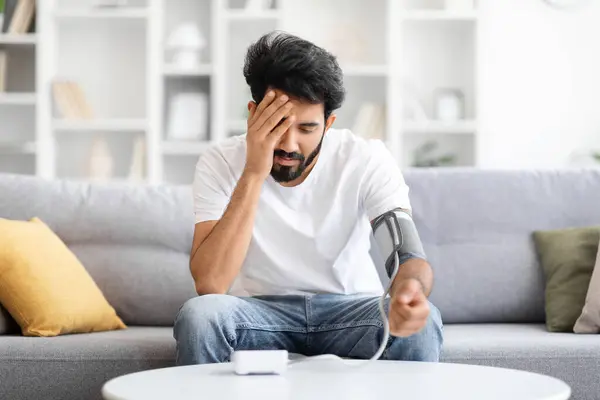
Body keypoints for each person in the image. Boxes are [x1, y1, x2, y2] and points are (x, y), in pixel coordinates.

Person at [173, 31, 443, 365]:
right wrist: (254, 171)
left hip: (351, 310)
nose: (288, 144)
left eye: (306, 128)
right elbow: (211, 283)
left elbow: (407, 255)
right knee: (200, 316)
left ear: (328, 124)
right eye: (277, 124)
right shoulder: (221, 161)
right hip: (259, 313)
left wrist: (410, 291)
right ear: (253, 113)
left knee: (425, 323)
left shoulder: (365, 158)